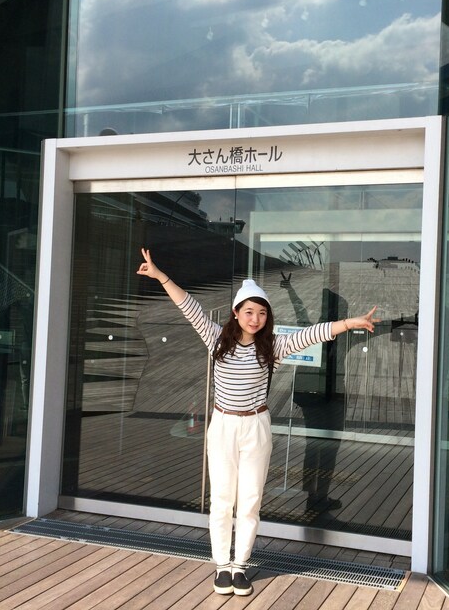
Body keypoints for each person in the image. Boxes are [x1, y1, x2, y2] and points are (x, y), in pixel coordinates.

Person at [136, 247, 379, 597]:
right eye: (249, 311)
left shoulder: (272, 347)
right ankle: (222, 565)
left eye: (262, 312)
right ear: (236, 313)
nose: (255, 319)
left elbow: (314, 333)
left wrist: (350, 323)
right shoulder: (216, 339)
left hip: (256, 427)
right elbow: (187, 305)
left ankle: (240, 566)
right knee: (222, 499)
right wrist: (160, 276)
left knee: (250, 500)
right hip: (223, 426)